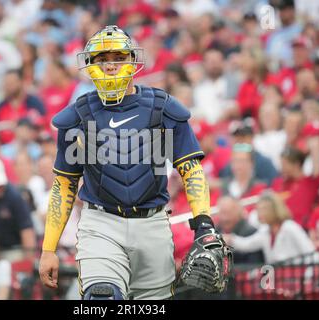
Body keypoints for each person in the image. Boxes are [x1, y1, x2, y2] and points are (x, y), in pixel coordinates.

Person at [38, 25, 231, 300]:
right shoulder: (77, 116)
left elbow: (190, 169)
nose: (110, 65)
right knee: (102, 298)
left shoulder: (163, 108)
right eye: (102, 59)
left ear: (133, 60)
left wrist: (204, 223)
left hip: (153, 223)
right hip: (100, 222)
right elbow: (64, 183)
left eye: (117, 57)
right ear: (90, 65)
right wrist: (49, 248)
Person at [224, 192, 319, 264]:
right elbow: (247, 244)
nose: (259, 213)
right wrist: (230, 239)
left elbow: (311, 253)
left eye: (264, 209)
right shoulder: (265, 231)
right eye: (258, 209)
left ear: (275, 209)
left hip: (298, 279)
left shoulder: (290, 227)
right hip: (279, 282)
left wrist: (309, 279)